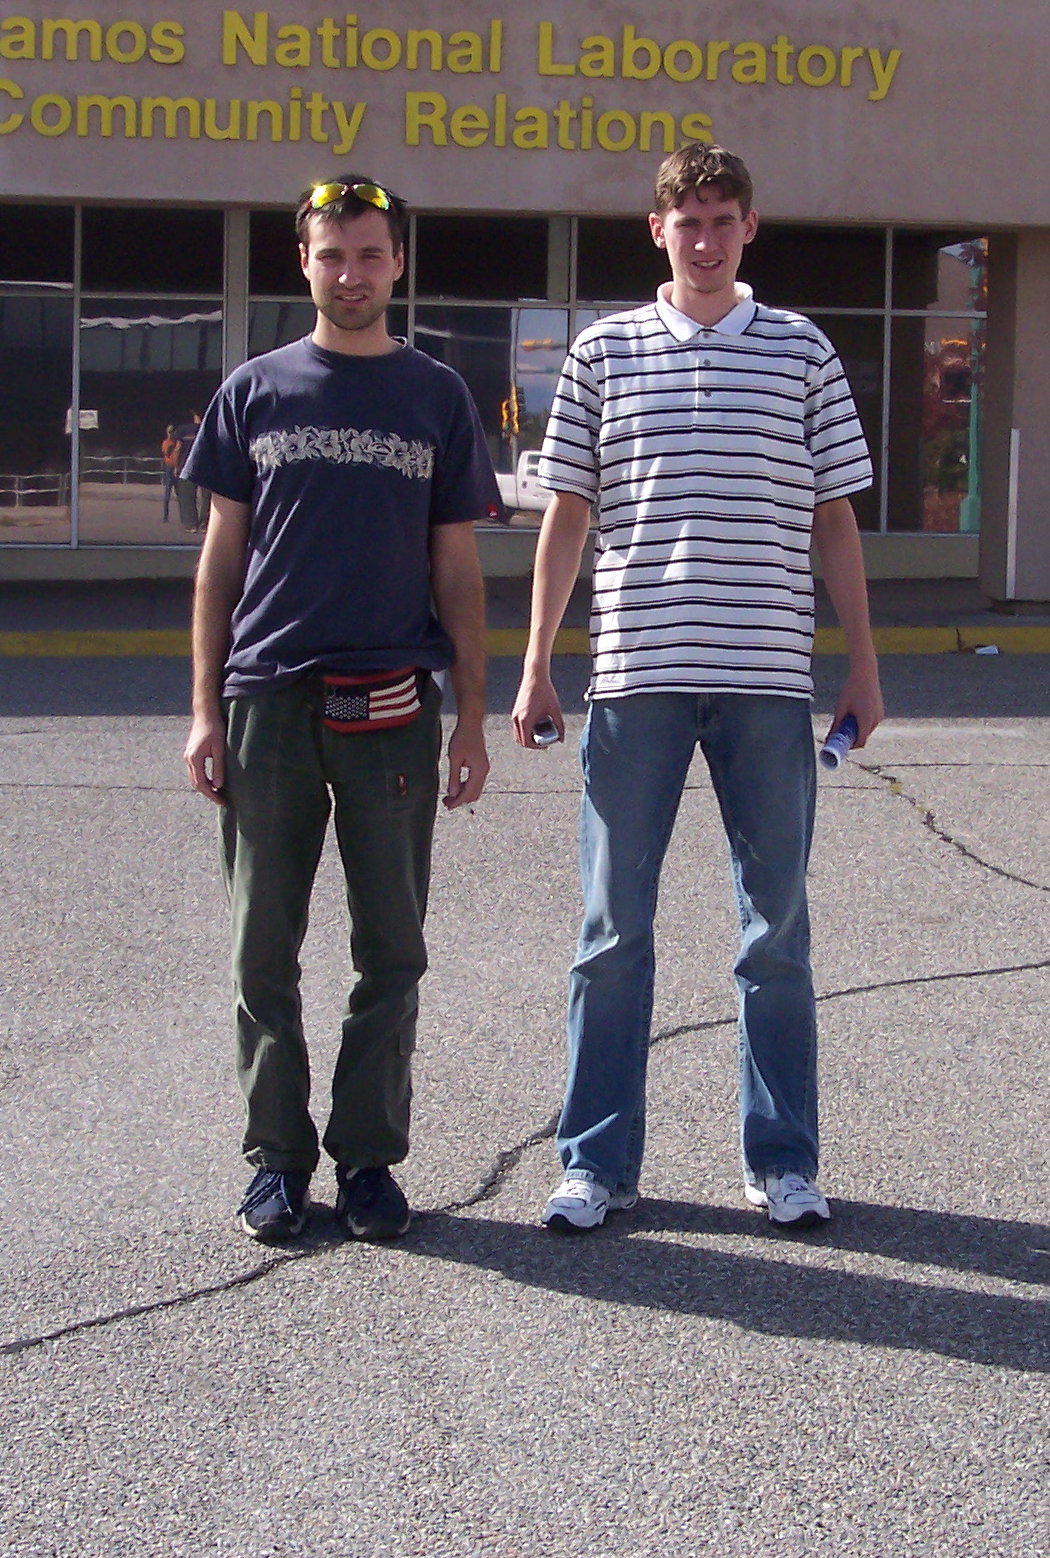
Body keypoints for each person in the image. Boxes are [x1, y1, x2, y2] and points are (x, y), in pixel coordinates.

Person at [511, 143, 883, 1233]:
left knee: (776, 935)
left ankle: (784, 1161)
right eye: (689, 221)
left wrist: (863, 663)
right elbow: (567, 516)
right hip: (637, 675)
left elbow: (833, 519)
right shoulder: (604, 352)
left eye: (725, 220)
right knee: (611, 933)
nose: (707, 240)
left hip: (767, 677)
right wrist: (536, 664)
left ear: (749, 228)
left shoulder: (802, 351)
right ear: (658, 229)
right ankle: (595, 1164)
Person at [181, 175, 495, 1246]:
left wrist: (472, 718)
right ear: (304, 263)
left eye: (369, 254)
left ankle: (367, 1159)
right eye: (332, 254)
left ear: (397, 263)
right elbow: (220, 561)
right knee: (260, 952)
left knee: (391, 952)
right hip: (267, 705)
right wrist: (205, 710)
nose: (350, 273)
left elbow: (458, 569)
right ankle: (277, 1160)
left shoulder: (435, 395)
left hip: (392, 710)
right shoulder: (254, 391)